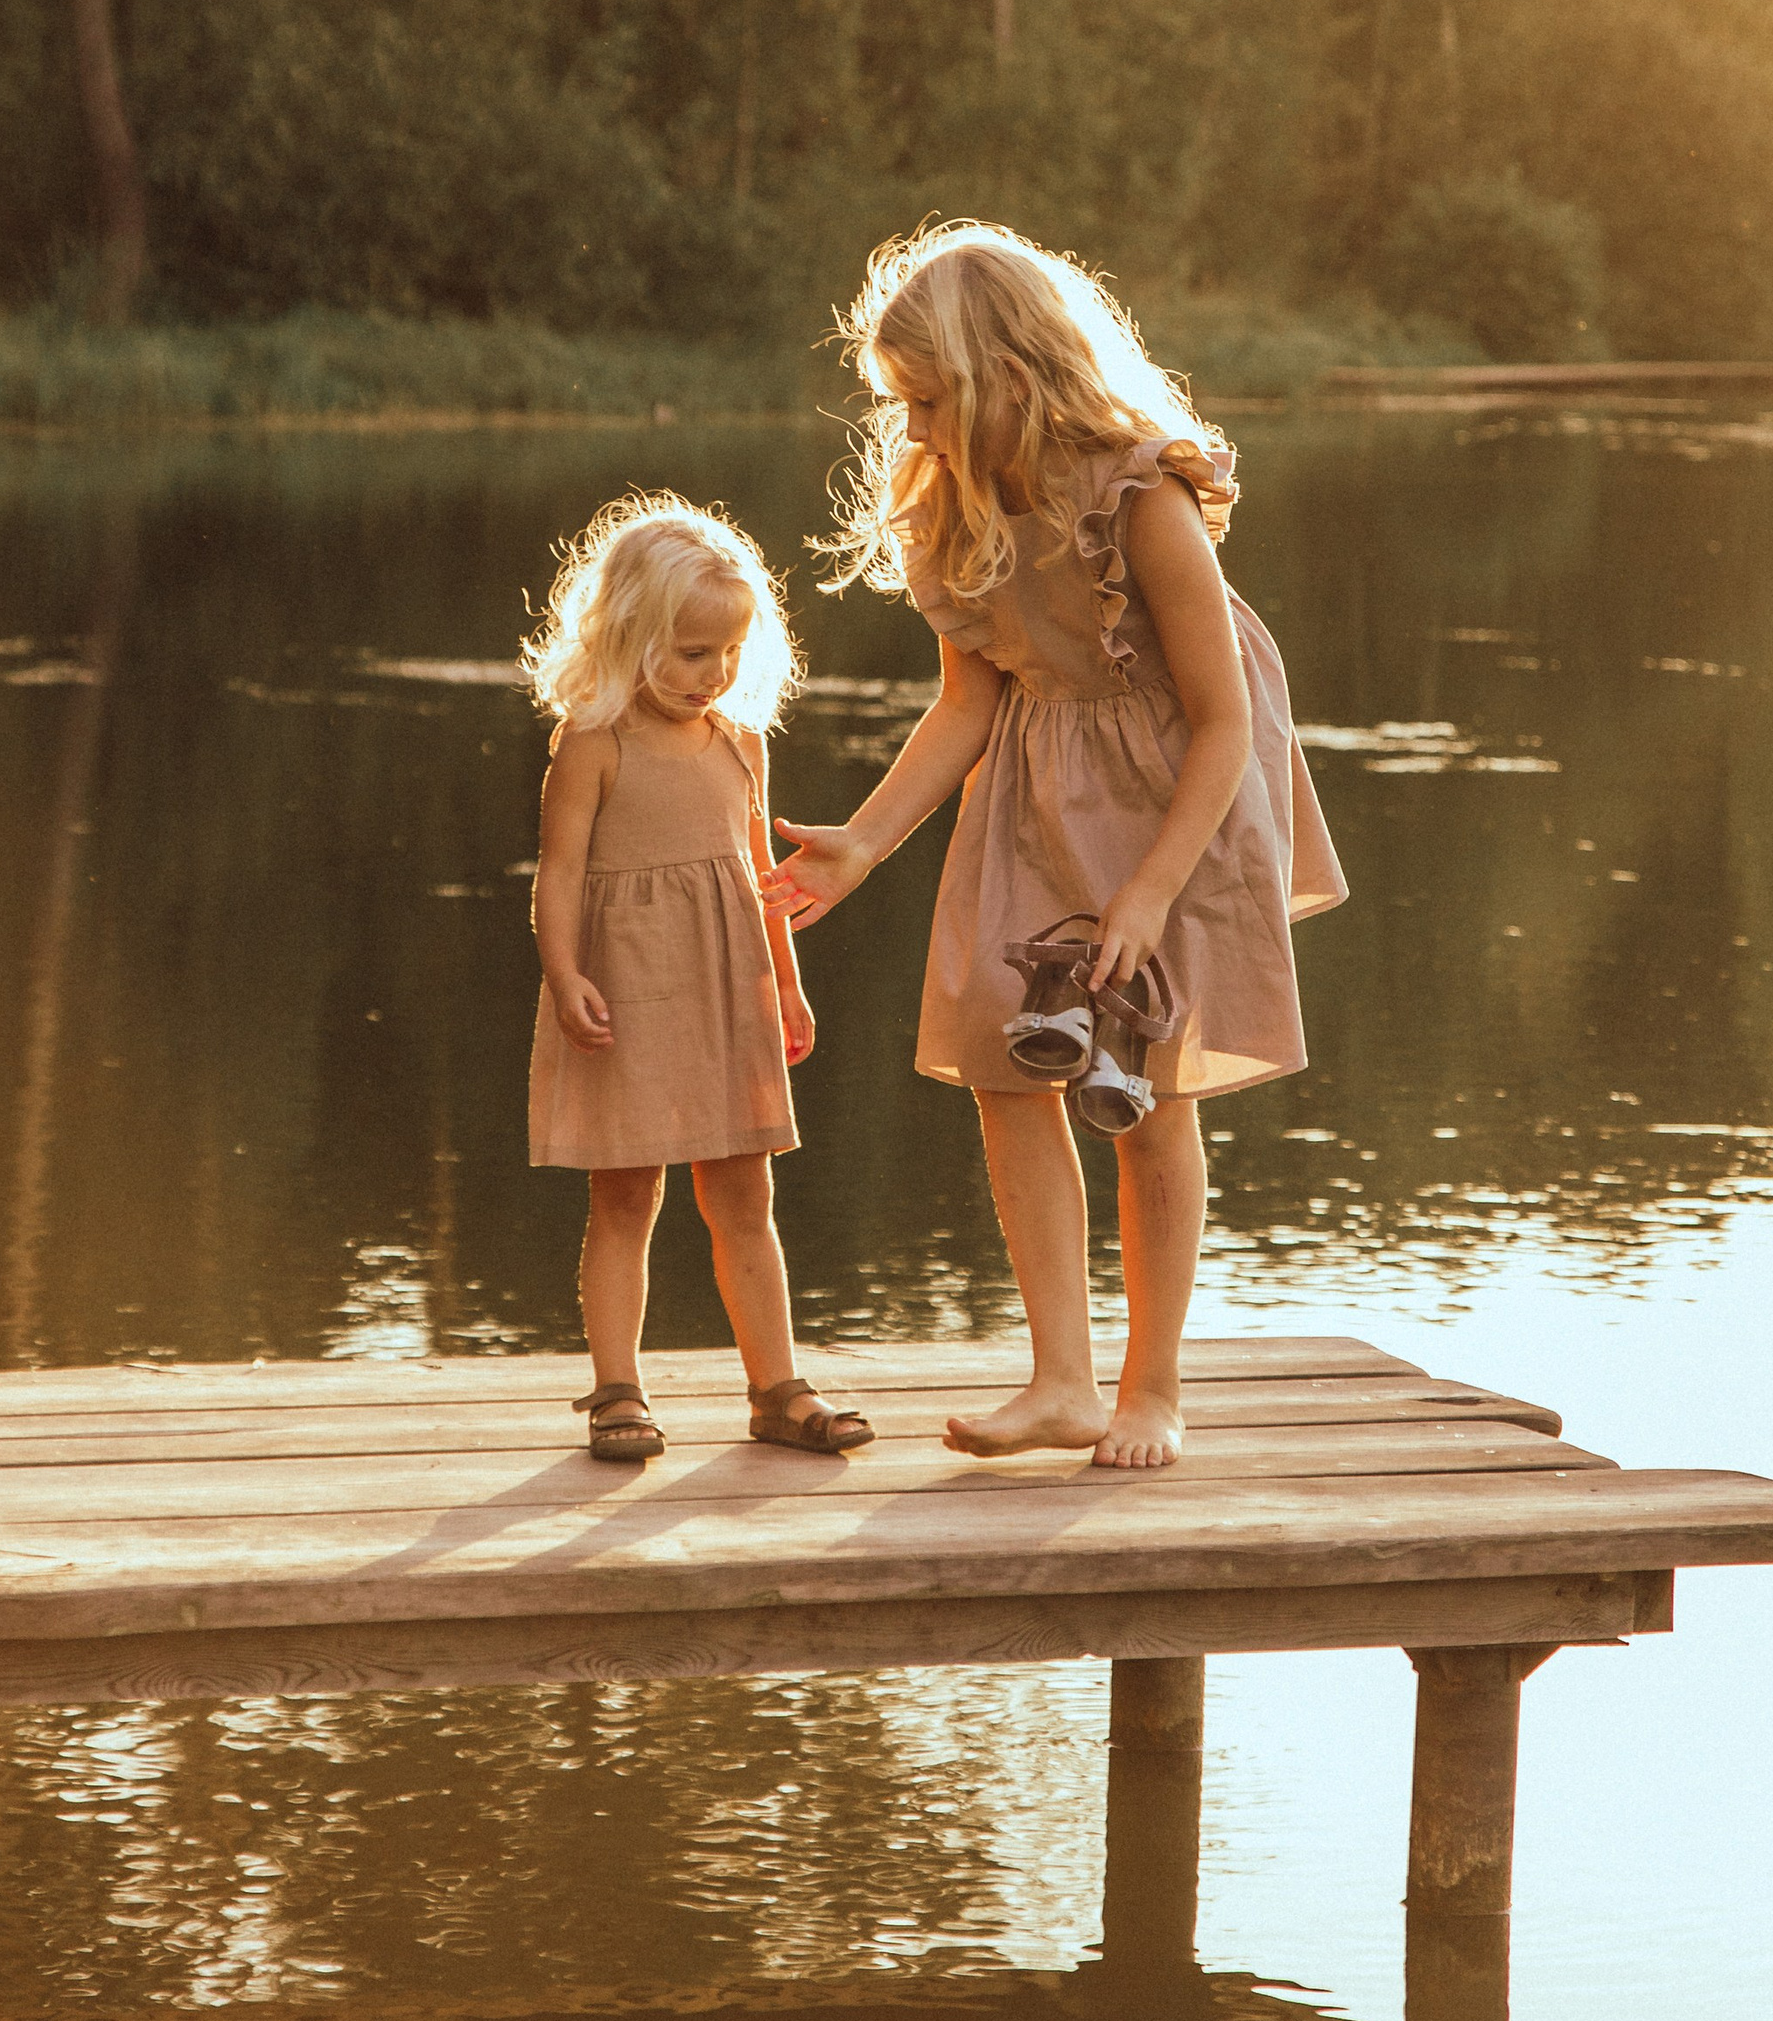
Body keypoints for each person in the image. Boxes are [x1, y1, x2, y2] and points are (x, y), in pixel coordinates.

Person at [764, 226, 1344, 1471]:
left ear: (1003, 377)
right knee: (1003, 1060)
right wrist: (861, 844)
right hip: (1035, 785)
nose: (909, 430)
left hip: (1176, 792)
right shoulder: (949, 505)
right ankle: (1062, 1378)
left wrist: (1146, 894)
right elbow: (967, 702)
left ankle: (1151, 1389)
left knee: (1144, 1088)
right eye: (901, 406)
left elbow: (1225, 719)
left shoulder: (1143, 496)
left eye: (926, 402)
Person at [526, 493, 872, 1465]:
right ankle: (616, 1390)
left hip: (730, 988)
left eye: (726, 652)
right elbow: (556, 873)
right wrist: (563, 974)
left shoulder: (740, 741)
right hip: (623, 990)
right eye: (688, 652)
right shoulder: (593, 740)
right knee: (624, 1198)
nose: (710, 673)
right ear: (629, 633)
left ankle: (777, 1386)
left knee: (743, 1197)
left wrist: (790, 985)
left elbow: (763, 879)